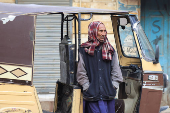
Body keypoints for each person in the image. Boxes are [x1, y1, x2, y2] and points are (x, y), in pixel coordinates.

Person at [77, 21, 123, 113]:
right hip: (92, 96)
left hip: (108, 94)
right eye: (100, 31)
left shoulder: (110, 49)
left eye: (104, 31)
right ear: (93, 32)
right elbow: (81, 72)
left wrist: (113, 86)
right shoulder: (84, 50)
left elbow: (116, 70)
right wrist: (87, 87)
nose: (103, 34)